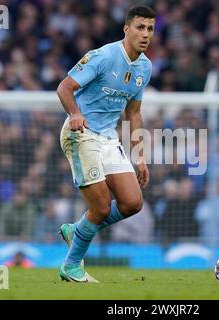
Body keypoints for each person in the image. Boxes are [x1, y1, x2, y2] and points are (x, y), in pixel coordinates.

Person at [56, 5, 155, 282]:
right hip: (81, 133)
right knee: (100, 207)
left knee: (132, 203)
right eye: (140, 27)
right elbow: (64, 87)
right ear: (126, 29)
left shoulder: (144, 68)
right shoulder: (103, 56)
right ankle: (72, 265)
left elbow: (133, 113)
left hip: (108, 138)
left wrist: (140, 156)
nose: (145, 34)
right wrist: (75, 113)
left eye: (150, 29)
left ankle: (78, 230)